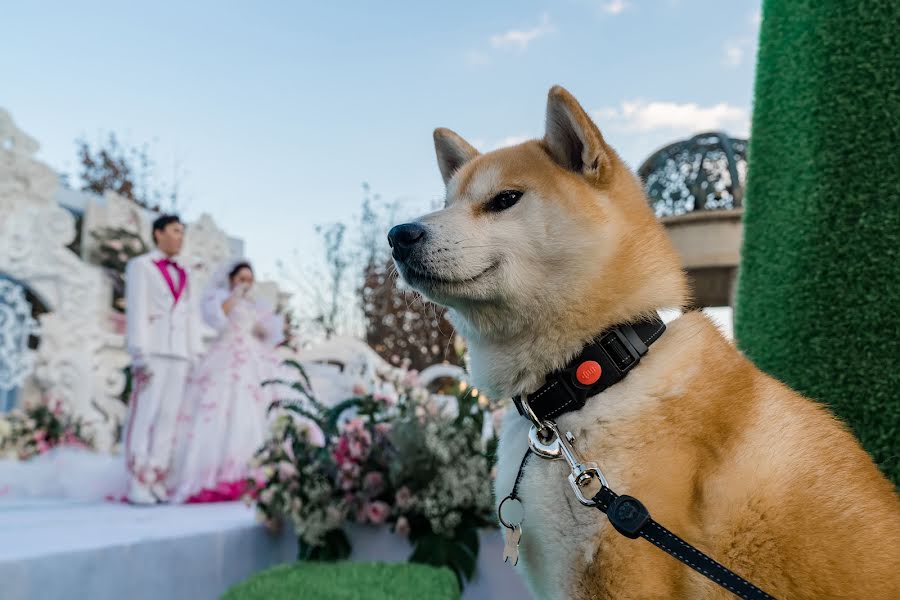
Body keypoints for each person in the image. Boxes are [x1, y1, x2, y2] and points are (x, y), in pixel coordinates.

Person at [169, 259, 285, 503]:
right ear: (232, 279)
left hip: (253, 356)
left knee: (253, 409)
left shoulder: (255, 304)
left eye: (249, 279)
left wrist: (262, 325)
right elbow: (216, 318)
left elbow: (268, 334)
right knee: (217, 410)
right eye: (241, 278)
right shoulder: (221, 297)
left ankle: (251, 472)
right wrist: (235, 295)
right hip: (226, 354)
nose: (246, 283)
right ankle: (214, 475)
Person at [123, 214, 204, 504]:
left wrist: (195, 352)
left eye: (182, 232)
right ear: (158, 234)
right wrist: (138, 351)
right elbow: (137, 309)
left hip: (179, 352)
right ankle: (136, 477)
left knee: (170, 416)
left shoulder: (187, 272)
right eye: (174, 231)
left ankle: (157, 475)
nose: (179, 237)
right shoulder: (142, 266)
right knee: (145, 414)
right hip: (153, 349)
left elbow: (191, 313)